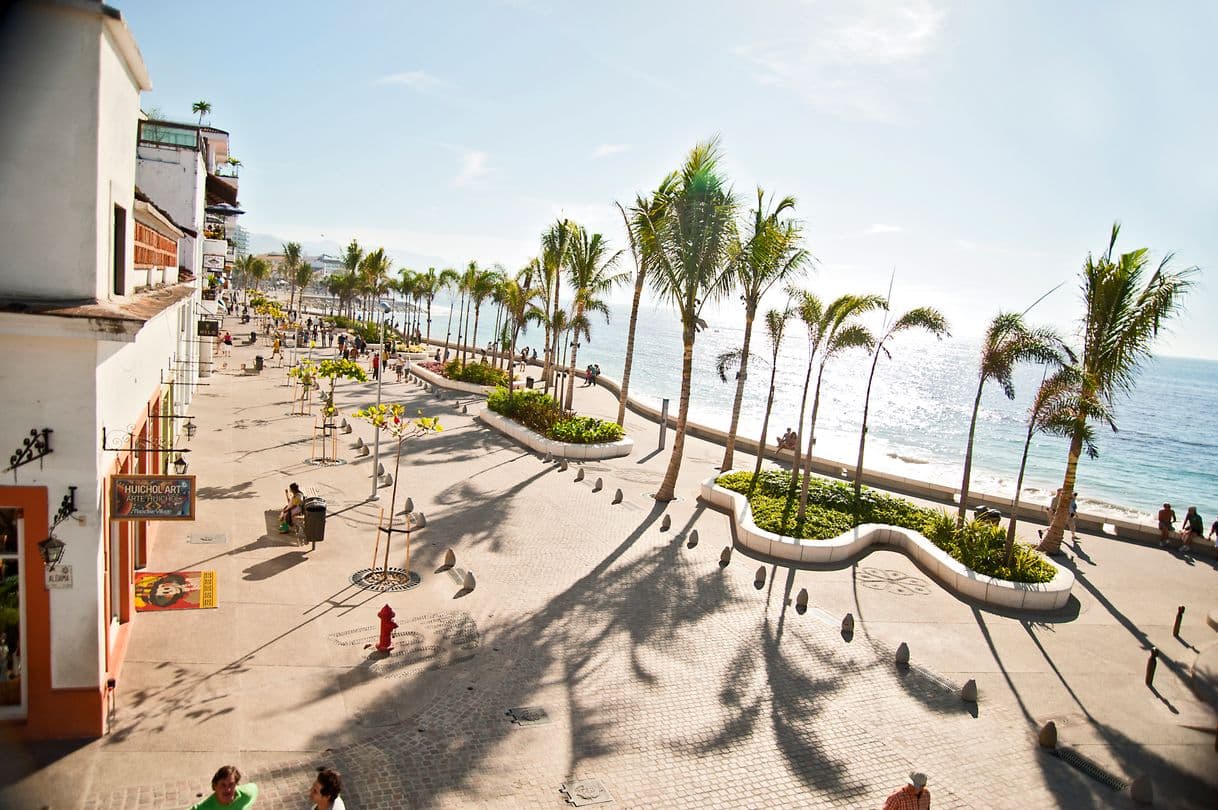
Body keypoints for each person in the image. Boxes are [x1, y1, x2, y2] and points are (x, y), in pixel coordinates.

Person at [191, 765, 258, 809]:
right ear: (215, 786)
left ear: (236, 784)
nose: (228, 789)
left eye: (231, 784)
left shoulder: (247, 794)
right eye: (223, 785)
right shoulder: (206, 807)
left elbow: (255, 788)